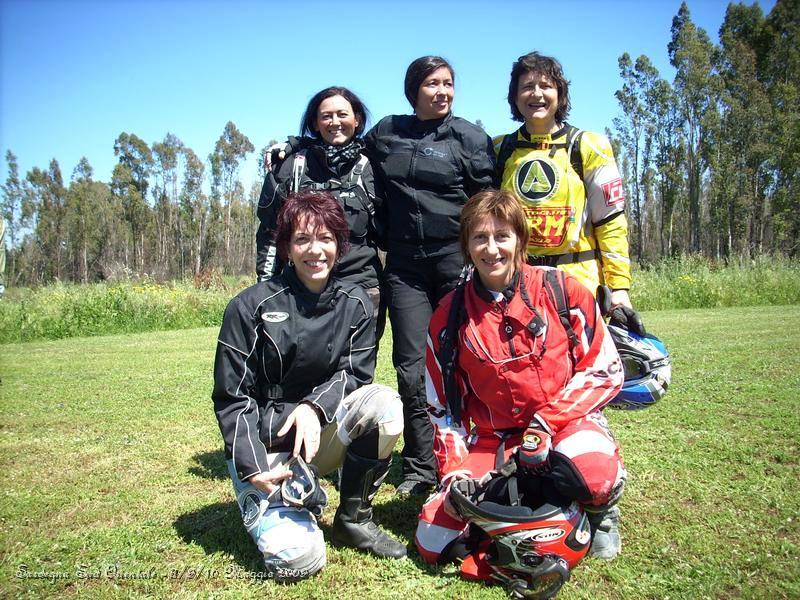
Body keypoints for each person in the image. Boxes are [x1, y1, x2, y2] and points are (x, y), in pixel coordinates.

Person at [415, 190, 627, 583]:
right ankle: (522, 517)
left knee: (595, 477)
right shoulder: (447, 317)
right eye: (479, 237)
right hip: (493, 440)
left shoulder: (563, 290)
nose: (491, 249)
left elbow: (605, 370)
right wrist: (455, 473)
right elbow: (442, 409)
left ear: (520, 240)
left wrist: (547, 422)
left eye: (502, 236)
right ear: (466, 245)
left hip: (566, 427)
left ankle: (597, 511)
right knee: (433, 539)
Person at [213, 191, 406, 581]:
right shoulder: (248, 307)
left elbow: (356, 373)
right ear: (286, 246)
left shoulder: (358, 303)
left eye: (326, 239)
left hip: (322, 434)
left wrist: (313, 407)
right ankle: (282, 500)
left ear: (340, 244)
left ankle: (353, 519)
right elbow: (231, 398)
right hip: (266, 444)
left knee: (385, 405)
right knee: (297, 560)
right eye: (302, 239)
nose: (314, 251)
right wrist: (251, 468)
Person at [363, 56, 497, 496]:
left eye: (448, 84)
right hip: (403, 267)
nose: (442, 91)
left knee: (468, 358)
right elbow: (342, 150)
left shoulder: (469, 137)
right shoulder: (386, 132)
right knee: (412, 366)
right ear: (413, 90)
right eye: (432, 84)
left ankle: (475, 450)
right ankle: (420, 467)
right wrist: (294, 147)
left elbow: (488, 202)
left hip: (454, 261)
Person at [496, 51, 640, 325]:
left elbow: (610, 222)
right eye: (527, 87)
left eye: (546, 86)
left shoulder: (590, 146)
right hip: (516, 283)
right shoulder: (498, 149)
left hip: (578, 286)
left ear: (560, 94)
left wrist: (619, 287)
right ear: (514, 97)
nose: (536, 94)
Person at [256, 87, 385, 335]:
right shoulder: (292, 166)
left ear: (357, 119)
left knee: (356, 368)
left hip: (362, 288)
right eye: (326, 116)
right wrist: (265, 286)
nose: (335, 122)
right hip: (301, 289)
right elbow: (270, 233)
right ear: (315, 123)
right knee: (303, 367)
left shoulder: (375, 166)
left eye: (342, 114)